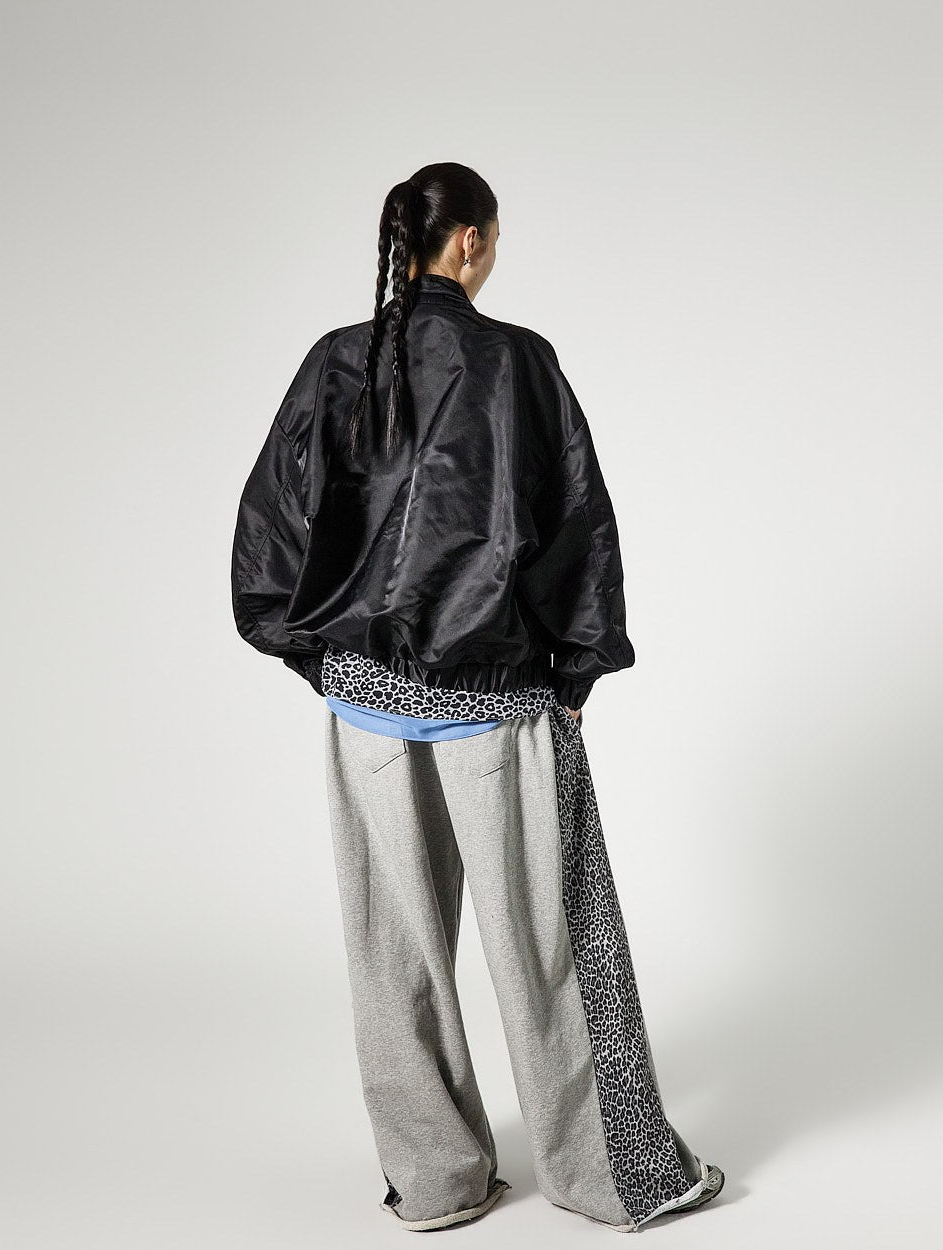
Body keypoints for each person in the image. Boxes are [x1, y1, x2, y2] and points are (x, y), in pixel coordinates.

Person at [230, 162, 724, 1233]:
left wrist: (326, 660)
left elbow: (269, 525)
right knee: (552, 947)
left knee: (391, 955)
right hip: (493, 701)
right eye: (493, 237)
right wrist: (576, 670)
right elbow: (573, 523)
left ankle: (436, 1181)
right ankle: (608, 1177)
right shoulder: (517, 362)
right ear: (470, 242)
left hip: (362, 708)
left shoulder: (335, 361)